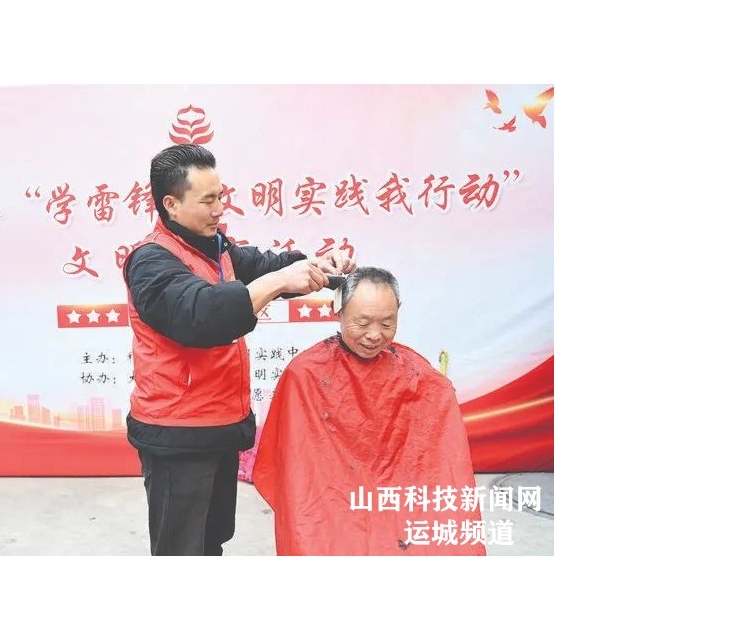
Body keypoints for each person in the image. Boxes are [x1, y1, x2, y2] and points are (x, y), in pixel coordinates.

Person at [123, 144, 354, 556]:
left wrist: (313, 265)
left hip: (220, 427)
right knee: (181, 551)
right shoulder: (150, 262)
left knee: (212, 542)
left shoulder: (215, 247)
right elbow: (201, 315)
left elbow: (264, 266)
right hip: (178, 436)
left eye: (221, 196)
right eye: (207, 200)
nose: (219, 209)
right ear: (171, 204)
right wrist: (278, 282)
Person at [252, 267, 486, 555]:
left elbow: (439, 461)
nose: (374, 335)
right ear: (339, 312)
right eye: (362, 323)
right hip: (328, 502)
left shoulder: (418, 375)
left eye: (387, 323)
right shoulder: (306, 374)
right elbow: (293, 468)